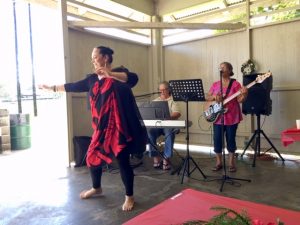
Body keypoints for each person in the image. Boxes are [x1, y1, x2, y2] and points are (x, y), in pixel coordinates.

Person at [39, 46, 147, 211]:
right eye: (92, 57)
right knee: (92, 156)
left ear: (105, 57)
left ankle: (129, 196)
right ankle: (97, 188)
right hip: (101, 128)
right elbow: (71, 86)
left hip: (118, 127)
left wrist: (110, 74)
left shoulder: (120, 75)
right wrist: (51, 87)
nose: (93, 60)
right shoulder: (91, 80)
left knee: (122, 161)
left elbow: (133, 78)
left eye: (95, 56)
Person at [206, 62, 248, 173]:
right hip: (217, 117)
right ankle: (219, 162)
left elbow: (240, 100)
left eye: (223, 67)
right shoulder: (215, 84)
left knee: (230, 139)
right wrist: (215, 97)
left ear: (229, 70)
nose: (221, 69)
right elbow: (207, 97)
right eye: (220, 67)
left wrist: (245, 94)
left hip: (232, 116)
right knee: (217, 140)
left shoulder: (235, 84)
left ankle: (231, 163)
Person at [148, 81, 181, 170]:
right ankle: (155, 157)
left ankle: (166, 158)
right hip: (157, 126)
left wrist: (168, 117)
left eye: (164, 90)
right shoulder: (155, 101)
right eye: (160, 90)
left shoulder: (172, 101)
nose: (162, 92)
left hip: (169, 125)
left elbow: (177, 113)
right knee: (150, 133)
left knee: (169, 132)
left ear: (168, 90)